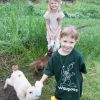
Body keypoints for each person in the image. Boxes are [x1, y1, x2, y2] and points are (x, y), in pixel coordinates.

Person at [36, 26, 87, 100]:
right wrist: (41, 81)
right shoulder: (55, 56)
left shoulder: (78, 56)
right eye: (65, 41)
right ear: (60, 39)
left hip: (75, 90)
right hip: (61, 88)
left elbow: (81, 73)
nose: (67, 45)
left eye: (71, 42)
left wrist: (81, 87)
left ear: (76, 42)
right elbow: (48, 70)